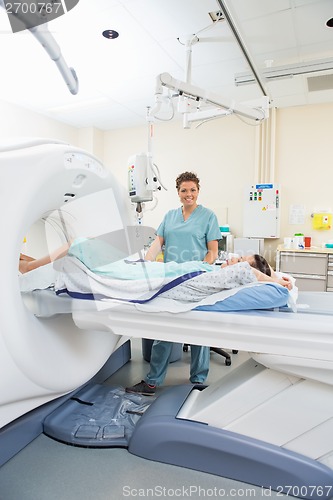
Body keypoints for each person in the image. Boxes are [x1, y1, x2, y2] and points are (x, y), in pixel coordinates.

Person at [125, 171, 221, 396]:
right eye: (184, 190)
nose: (189, 194)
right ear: (178, 193)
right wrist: (146, 264)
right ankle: (152, 381)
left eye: (193, 190)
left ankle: (198, 381)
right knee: (164, 330)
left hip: (196, 279)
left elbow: (213, 252)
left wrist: (201, 269)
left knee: (200, 333)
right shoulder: (169, 216)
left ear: (198, 191)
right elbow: (157, 243)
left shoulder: (208, 216)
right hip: (171, 279)